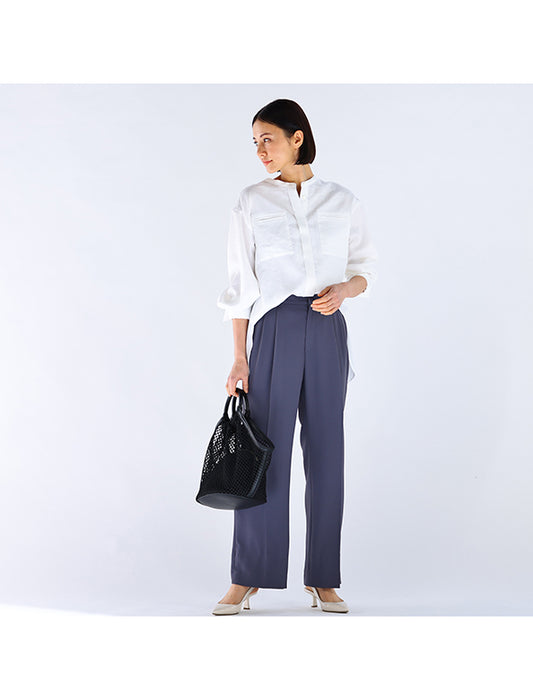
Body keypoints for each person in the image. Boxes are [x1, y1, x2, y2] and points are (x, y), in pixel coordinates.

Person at [212, 98, 378, 615]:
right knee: (264, 453)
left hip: (327, 327)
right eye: (255, 142)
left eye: (268, 139)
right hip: (274, 328)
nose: (261, 150)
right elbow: (240, 284)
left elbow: (364, 269)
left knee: (327, 454)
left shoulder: (342, 200)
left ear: (297, 137)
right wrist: (239, 357)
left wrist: (345, 290)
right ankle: (248, 576)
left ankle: (323, 577)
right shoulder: (251, 201)